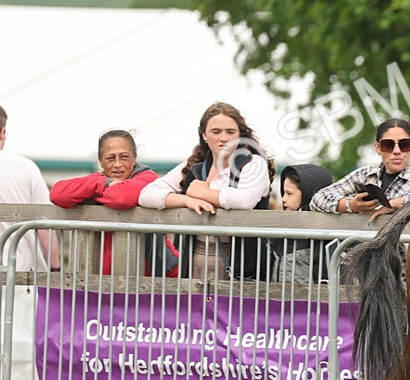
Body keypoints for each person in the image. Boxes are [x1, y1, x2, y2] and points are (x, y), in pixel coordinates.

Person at [138, 101, 275, 280]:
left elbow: (244, 200)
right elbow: (145, 195)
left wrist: (201, 192)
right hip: (194, 262)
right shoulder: (194, 167)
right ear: (204, 135)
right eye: (216, 132)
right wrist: (187, 200)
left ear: (240, 134)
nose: (223, 138)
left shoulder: (254, 164)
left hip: (244, 268)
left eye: (230, 132)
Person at [50, 130, 178, 276]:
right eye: (110, 158)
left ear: (135, 157)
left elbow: (121, 198)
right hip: (103, 279)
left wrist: (93, 191)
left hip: (157, 277)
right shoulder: (97, 181)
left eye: (124, 157)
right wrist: (105, 182)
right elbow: (57, 194)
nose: (117, 164)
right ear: (100, 160)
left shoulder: (149, 178)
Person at [311, 118, 410, 220]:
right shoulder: (365, 173)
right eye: (388, 145)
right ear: (378, 148)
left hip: (404, 256)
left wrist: (394, 204)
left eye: (404, 144)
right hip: (358, 255)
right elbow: (317, 199)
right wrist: (351, 205)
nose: (396, 151)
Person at [0, 105, 59, 272]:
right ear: (3, 132)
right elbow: (44, 224)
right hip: (18, 271)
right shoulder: (26, 168)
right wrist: (55, 267)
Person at [273, 164, 334, 283]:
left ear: (308, 195)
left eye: (289, 194)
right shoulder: (282, 225)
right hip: (278, 297)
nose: (283, 199)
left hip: (309, 299)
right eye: (283, 193)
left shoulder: (323, 233)